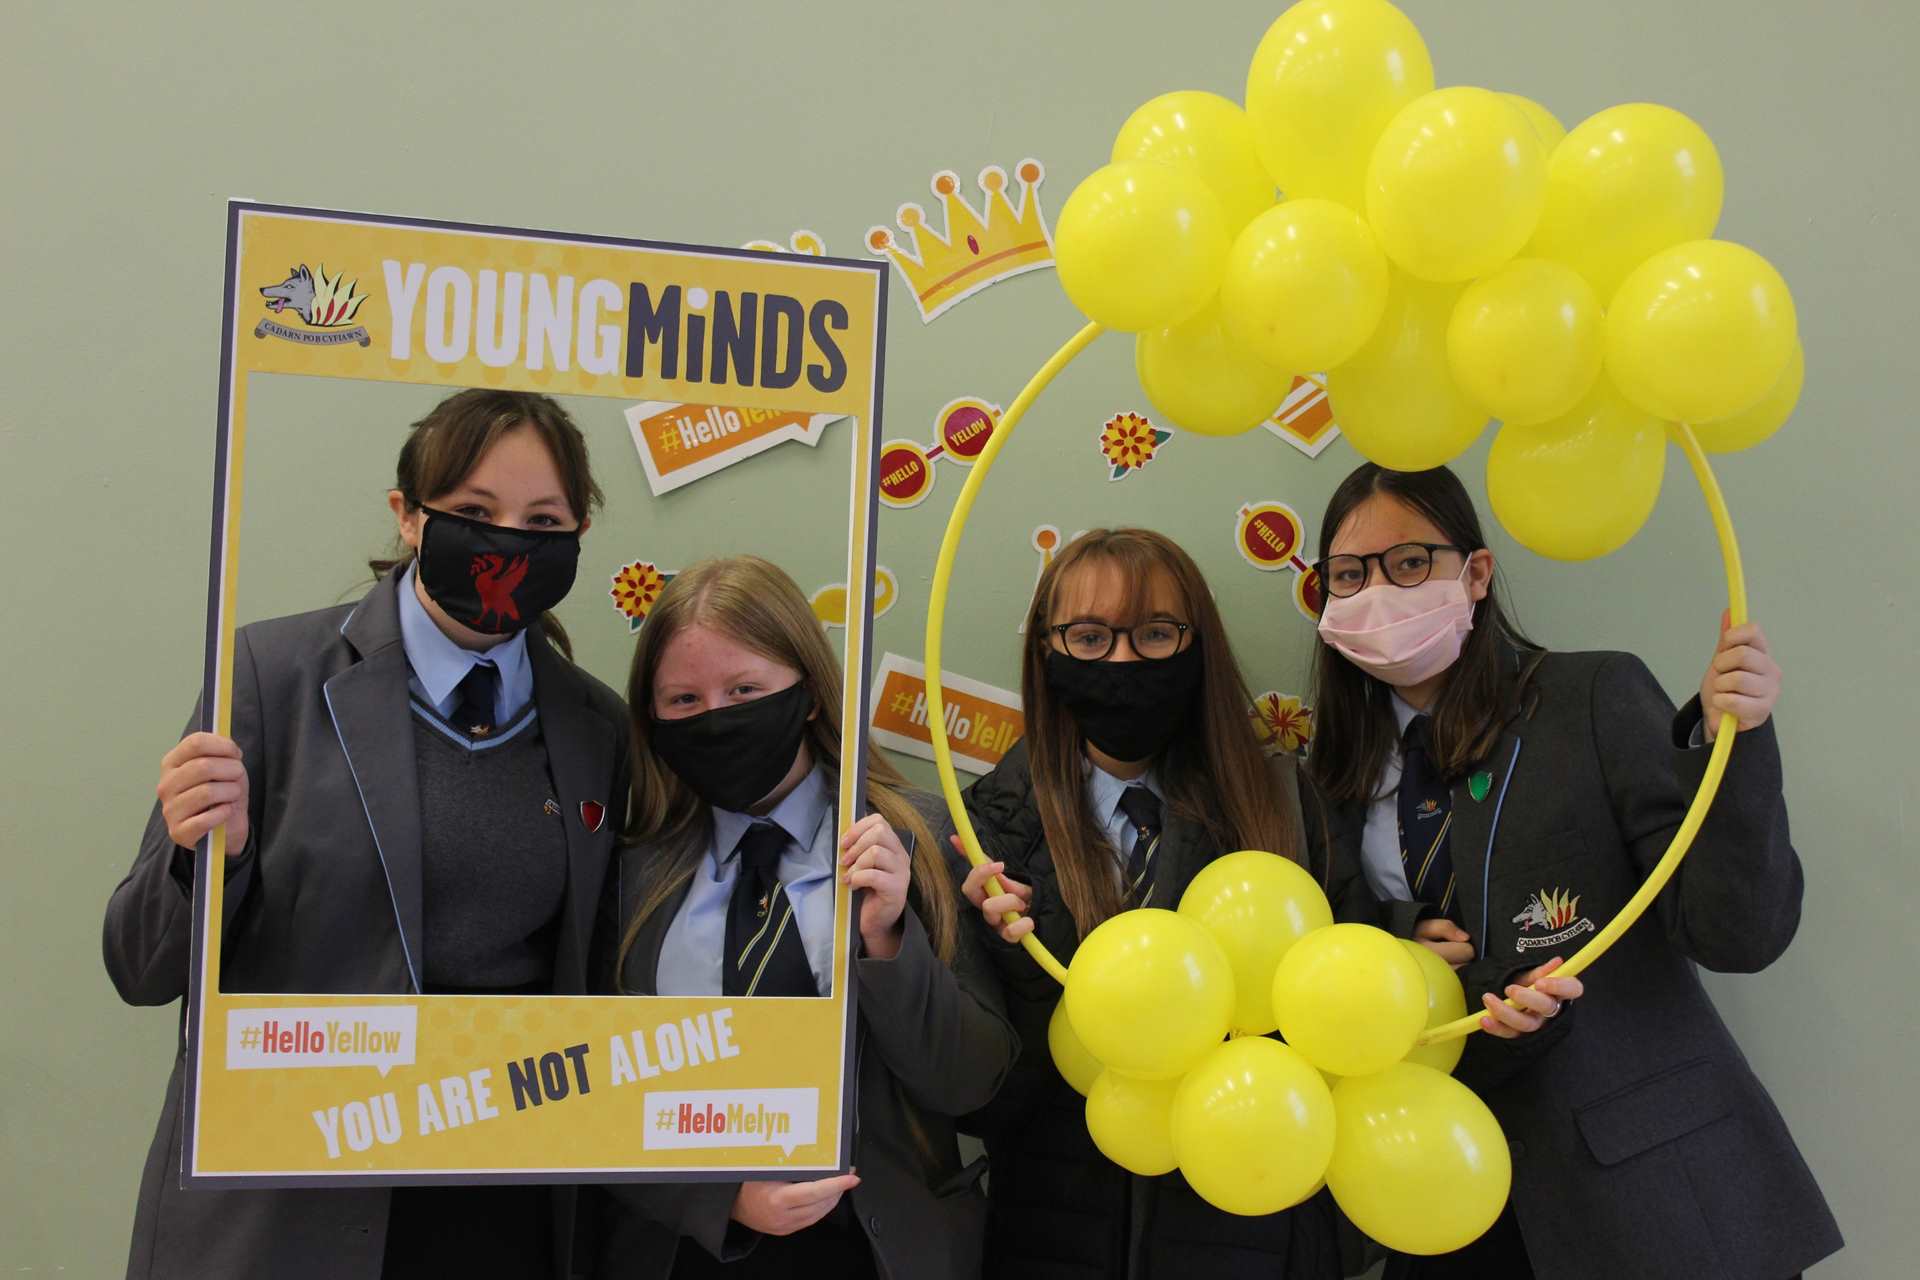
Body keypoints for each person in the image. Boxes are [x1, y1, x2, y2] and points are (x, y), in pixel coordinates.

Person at [103, 389, 631, 1280]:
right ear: (409, 517)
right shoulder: (268, 676)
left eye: (542, 519)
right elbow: (139, 966)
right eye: (473, 512)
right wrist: (208, 860)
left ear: (579, 530)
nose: (509, 540)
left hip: (505, 1197)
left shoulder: (595, 724)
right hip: (292, 1203)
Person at [1305, 462, 1841, 1279]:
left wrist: (1733, 746)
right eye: (1350, 575)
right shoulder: (1334, 770)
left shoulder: (1589, 696)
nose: (1379, 592)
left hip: (1649, 1189)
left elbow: (1737, 932)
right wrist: (1403, 938)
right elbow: (1332, 947)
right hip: (1447, 1197)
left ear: (1475, 572)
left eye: (1410, 563)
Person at [956, 527, 1370, 1279]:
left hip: (1249, 1234)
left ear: (1197, 644)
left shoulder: (1284, 805)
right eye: (1088, 637)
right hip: (1052, 1243)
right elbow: (978, 1103)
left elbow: (1355, 1025)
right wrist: (1011, 960)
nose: (1122, 662)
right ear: (1047, 654)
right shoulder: (985, 836)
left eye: (1153, 633)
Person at [589, 556, 1016, 1280]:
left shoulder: (920, 834)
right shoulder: (629, 873)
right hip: (690, 1252)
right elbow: (592, 1098)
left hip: (877, 1249)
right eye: (685, 700)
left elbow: (973, 1086)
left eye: (745, 690)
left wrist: (889, 943)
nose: (717, 717)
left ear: (810, 694)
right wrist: (717, 1197)